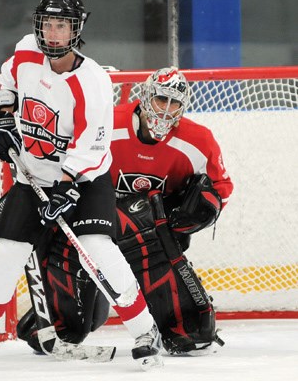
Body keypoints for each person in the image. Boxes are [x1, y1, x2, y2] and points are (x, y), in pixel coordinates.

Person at [0, 0, 162, 371]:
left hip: (85, 182)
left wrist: (68, 183)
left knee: (98, 250)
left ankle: (145, 331)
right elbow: (8, 80)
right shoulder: (25, 51)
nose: (52, 34)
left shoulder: (93, 81)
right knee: (7, 251)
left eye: (61, 26)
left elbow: (93, 146)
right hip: (33, 175)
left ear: (75, 30)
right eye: (48, 24)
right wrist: (4, 116)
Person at [16, 66, 233, 357]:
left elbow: (221, 187)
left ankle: (176, 318)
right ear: (145, 96)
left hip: (152, 235)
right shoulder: (107, 125)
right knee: (74, 316)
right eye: (161, 99)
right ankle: (57, 317)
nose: (167, 109)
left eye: (175, 103)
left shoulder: (198, 141)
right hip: (91, 222)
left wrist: (199, 210)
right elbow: (64, 164)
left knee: (191, 332)